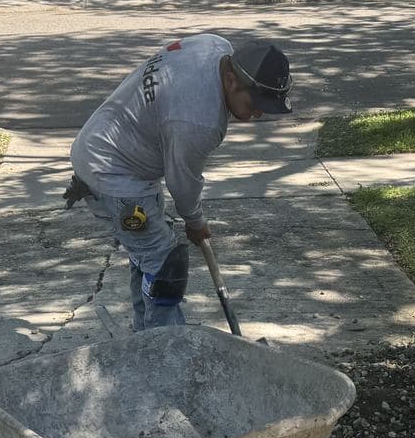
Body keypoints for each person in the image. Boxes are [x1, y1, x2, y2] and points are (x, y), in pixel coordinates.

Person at [65, 35, 292, 331]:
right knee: (164, 268)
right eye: (256, 103)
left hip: (107, 145)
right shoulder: (201, 121)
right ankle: (164, 351)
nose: (258, 113)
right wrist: (196, 222)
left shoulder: (213, 46)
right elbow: (182, 183)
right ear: (232, 80)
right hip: (112, 171)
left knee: (148, 253)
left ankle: (143, 337)